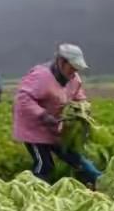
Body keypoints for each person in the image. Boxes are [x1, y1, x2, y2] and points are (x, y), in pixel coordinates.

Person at [13, 44, 102, 186]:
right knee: (44, 164)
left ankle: (100, 182)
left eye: (76, 69)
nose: (74, 72)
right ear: (61, 62)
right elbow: (23, 99)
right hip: (34, 129)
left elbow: (78, 95)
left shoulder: (74, 78)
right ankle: (35, 192)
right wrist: (42, 115)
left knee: (77, 159)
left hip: (57, 128)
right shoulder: (41, 76)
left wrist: (83, 108)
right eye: (71, 67)